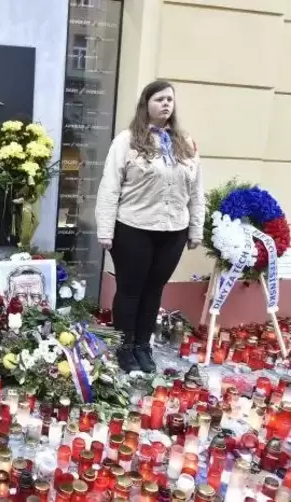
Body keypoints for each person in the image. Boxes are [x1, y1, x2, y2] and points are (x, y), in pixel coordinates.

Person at [95, 80, 204, 374]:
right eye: (159, 99)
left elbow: (196, 190)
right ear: (146, 104)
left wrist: (196, 229)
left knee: (154, 290)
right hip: (133, 227)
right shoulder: (127, 141)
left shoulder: (186, 142)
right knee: (130, 290)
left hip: (173, 231)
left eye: (170, 99)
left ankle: (143, 345)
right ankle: (125, 346)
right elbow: (110, 187)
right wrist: (105, 229)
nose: (166, 104)